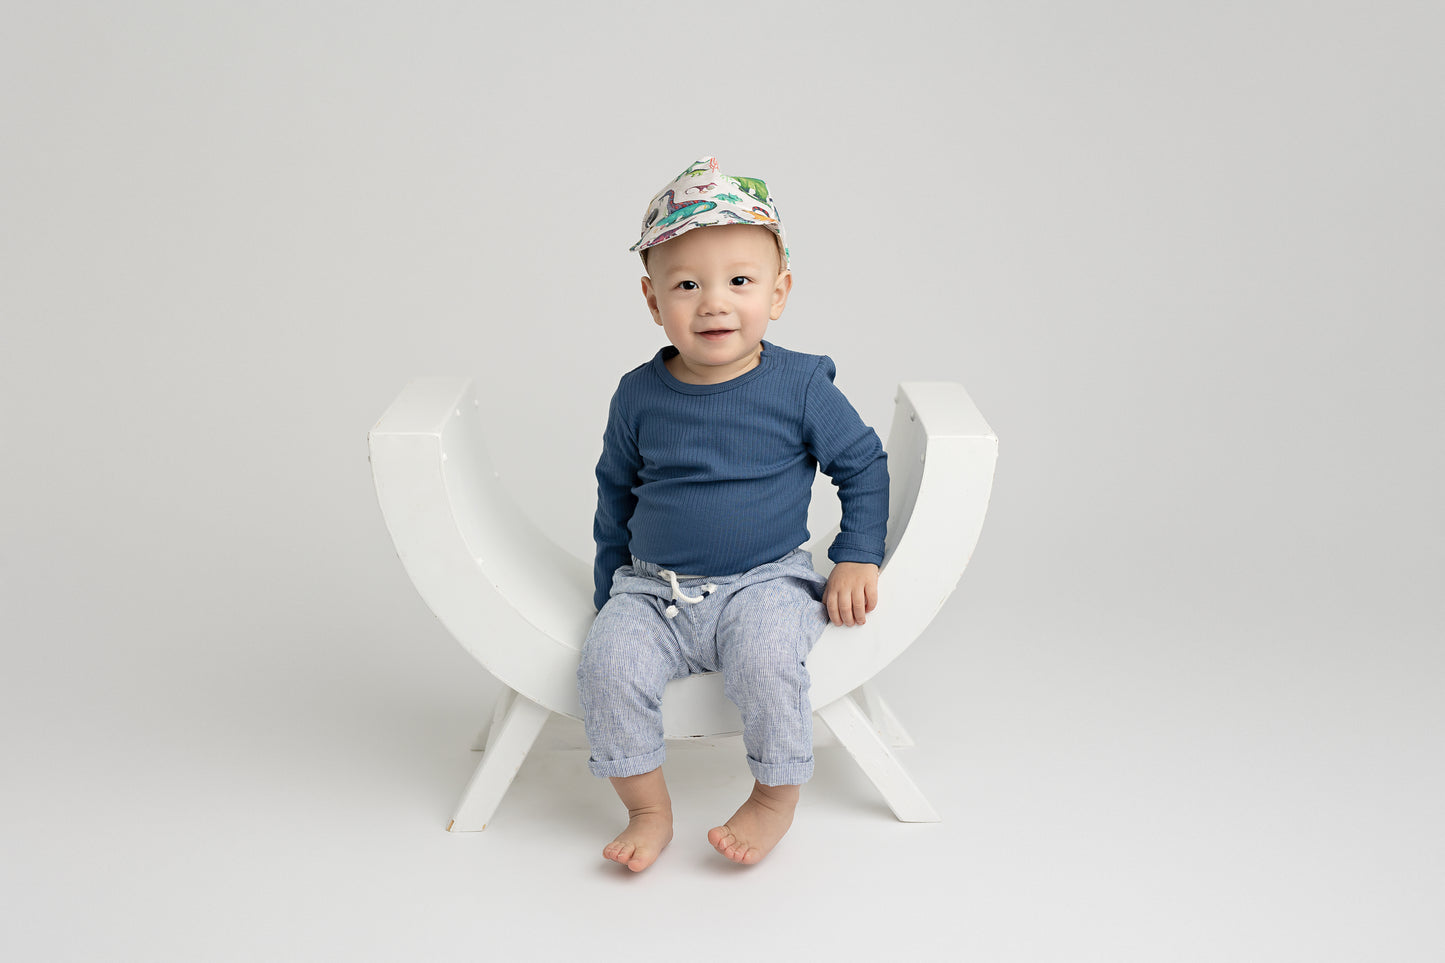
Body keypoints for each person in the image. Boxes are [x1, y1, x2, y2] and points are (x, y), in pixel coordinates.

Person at [578, 156, 889, 871]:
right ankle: (648, 808)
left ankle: (774, 797)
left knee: (768, 659)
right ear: (653, 301)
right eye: (687, 285)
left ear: (778, 293)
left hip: (763, 580)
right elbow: (614, 493)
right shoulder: (638, 394)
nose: (713, 303)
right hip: (654, 587)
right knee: (607, 665)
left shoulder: (799, 385)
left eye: (739, 282)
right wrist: (608, 591)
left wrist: (857, 553)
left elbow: (862, 465)